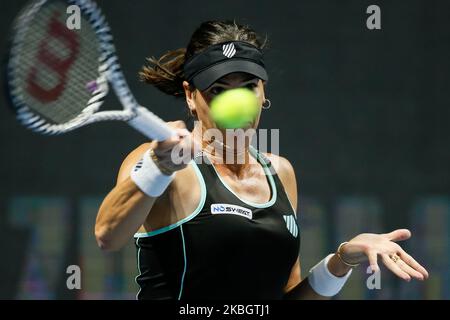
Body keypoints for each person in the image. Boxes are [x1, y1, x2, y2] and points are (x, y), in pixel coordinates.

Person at [94, 20, 428, 300]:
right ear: (189, 96)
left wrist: (341, 261)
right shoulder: (160, 164)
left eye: (248, 86)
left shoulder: (280, 172)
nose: (237, 101)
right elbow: (107, 235)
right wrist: (159, 167)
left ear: (263, 91)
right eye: (218, 89)